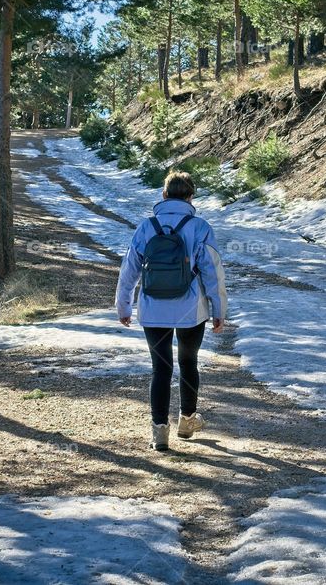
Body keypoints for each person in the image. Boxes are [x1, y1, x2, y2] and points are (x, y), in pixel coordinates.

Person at [115, 171, 227, 452]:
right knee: (188, 362)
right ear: (191, 196)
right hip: (190, 310)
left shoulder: (146, 227)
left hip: (153, 308)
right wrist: (218, 309)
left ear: (163, 195)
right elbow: (212, 272)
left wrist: (124, 305)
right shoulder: (199, 226)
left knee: (160, 368)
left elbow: (129, 269)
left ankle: (159, 432)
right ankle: (187, 421)